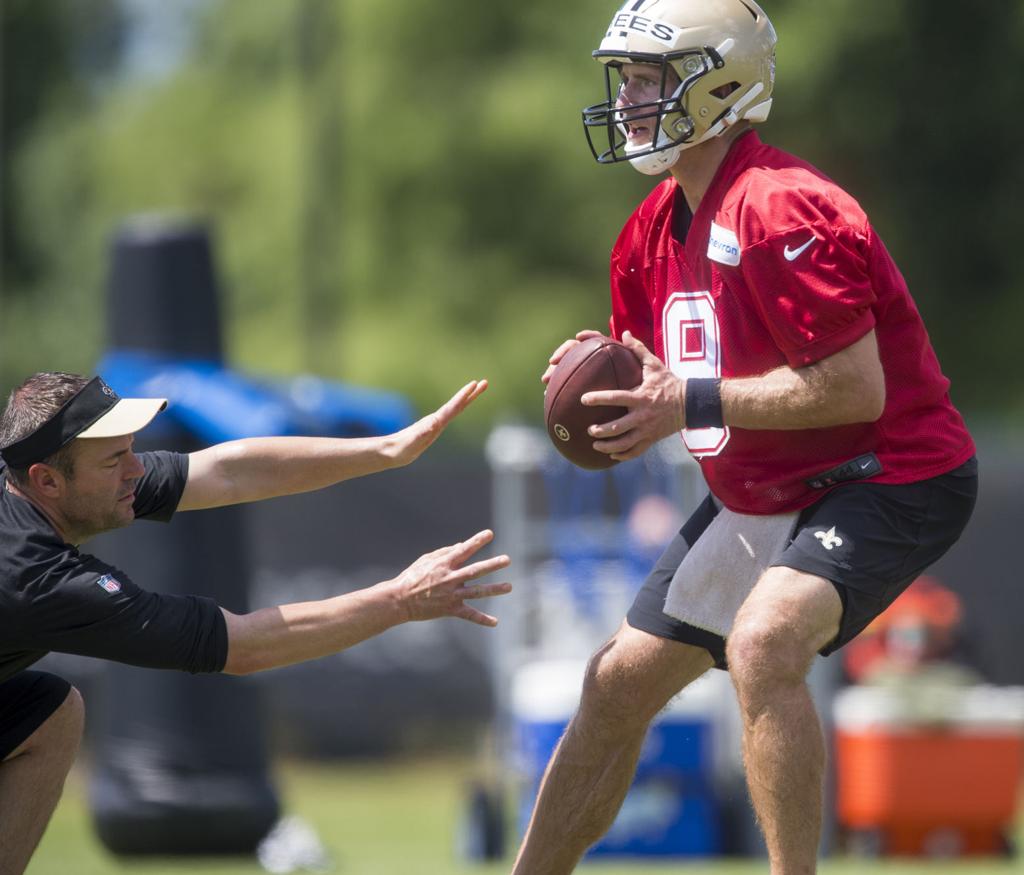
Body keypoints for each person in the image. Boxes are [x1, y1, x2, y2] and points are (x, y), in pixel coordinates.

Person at [513, 1, 977, 873]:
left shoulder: (786, 209)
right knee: (613, 682)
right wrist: (600, 382)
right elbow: (658, 378)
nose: (629, 101)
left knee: (764, 643)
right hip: (761, 488)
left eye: (652, 79)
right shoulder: (646, 231)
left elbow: (852, 388)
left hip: (889, 473)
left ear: (719, 84)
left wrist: (681, 400)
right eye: (628, 81)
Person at [0, 371, 511, 874]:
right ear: (47, 480)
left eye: (132, 449)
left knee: (48, 711)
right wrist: (402, 600)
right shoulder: (39, 578)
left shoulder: (53, 489)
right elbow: (244, 647)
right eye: (115, 460)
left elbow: (227, 471)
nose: (137, 469)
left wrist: (389, 449)